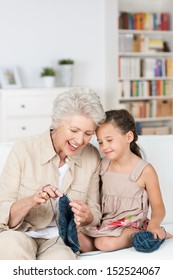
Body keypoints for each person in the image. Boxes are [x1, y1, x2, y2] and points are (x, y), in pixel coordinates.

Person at [0, 87, 106, 259]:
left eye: (88, 133)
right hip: (19, 234)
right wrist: (32, 201)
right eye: (73, 130)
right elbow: (2, 212)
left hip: (59, 239)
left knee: (63, 261)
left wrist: (87, 216)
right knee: (10, 251)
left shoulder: (92, 157)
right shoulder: (23, 150)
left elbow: (94, 211)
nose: (80, 141)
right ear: (56, 122)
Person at [82, 109, 172, 252]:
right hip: (106, 223)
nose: (104, 147)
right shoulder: (102, 165)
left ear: (129, 136)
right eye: (100, 142)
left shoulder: (145, 171)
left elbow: (158, 207)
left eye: (109, 140)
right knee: (78, 240)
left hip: (130, 225)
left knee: (103, 244)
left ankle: (148, 235)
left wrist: (154, 224)